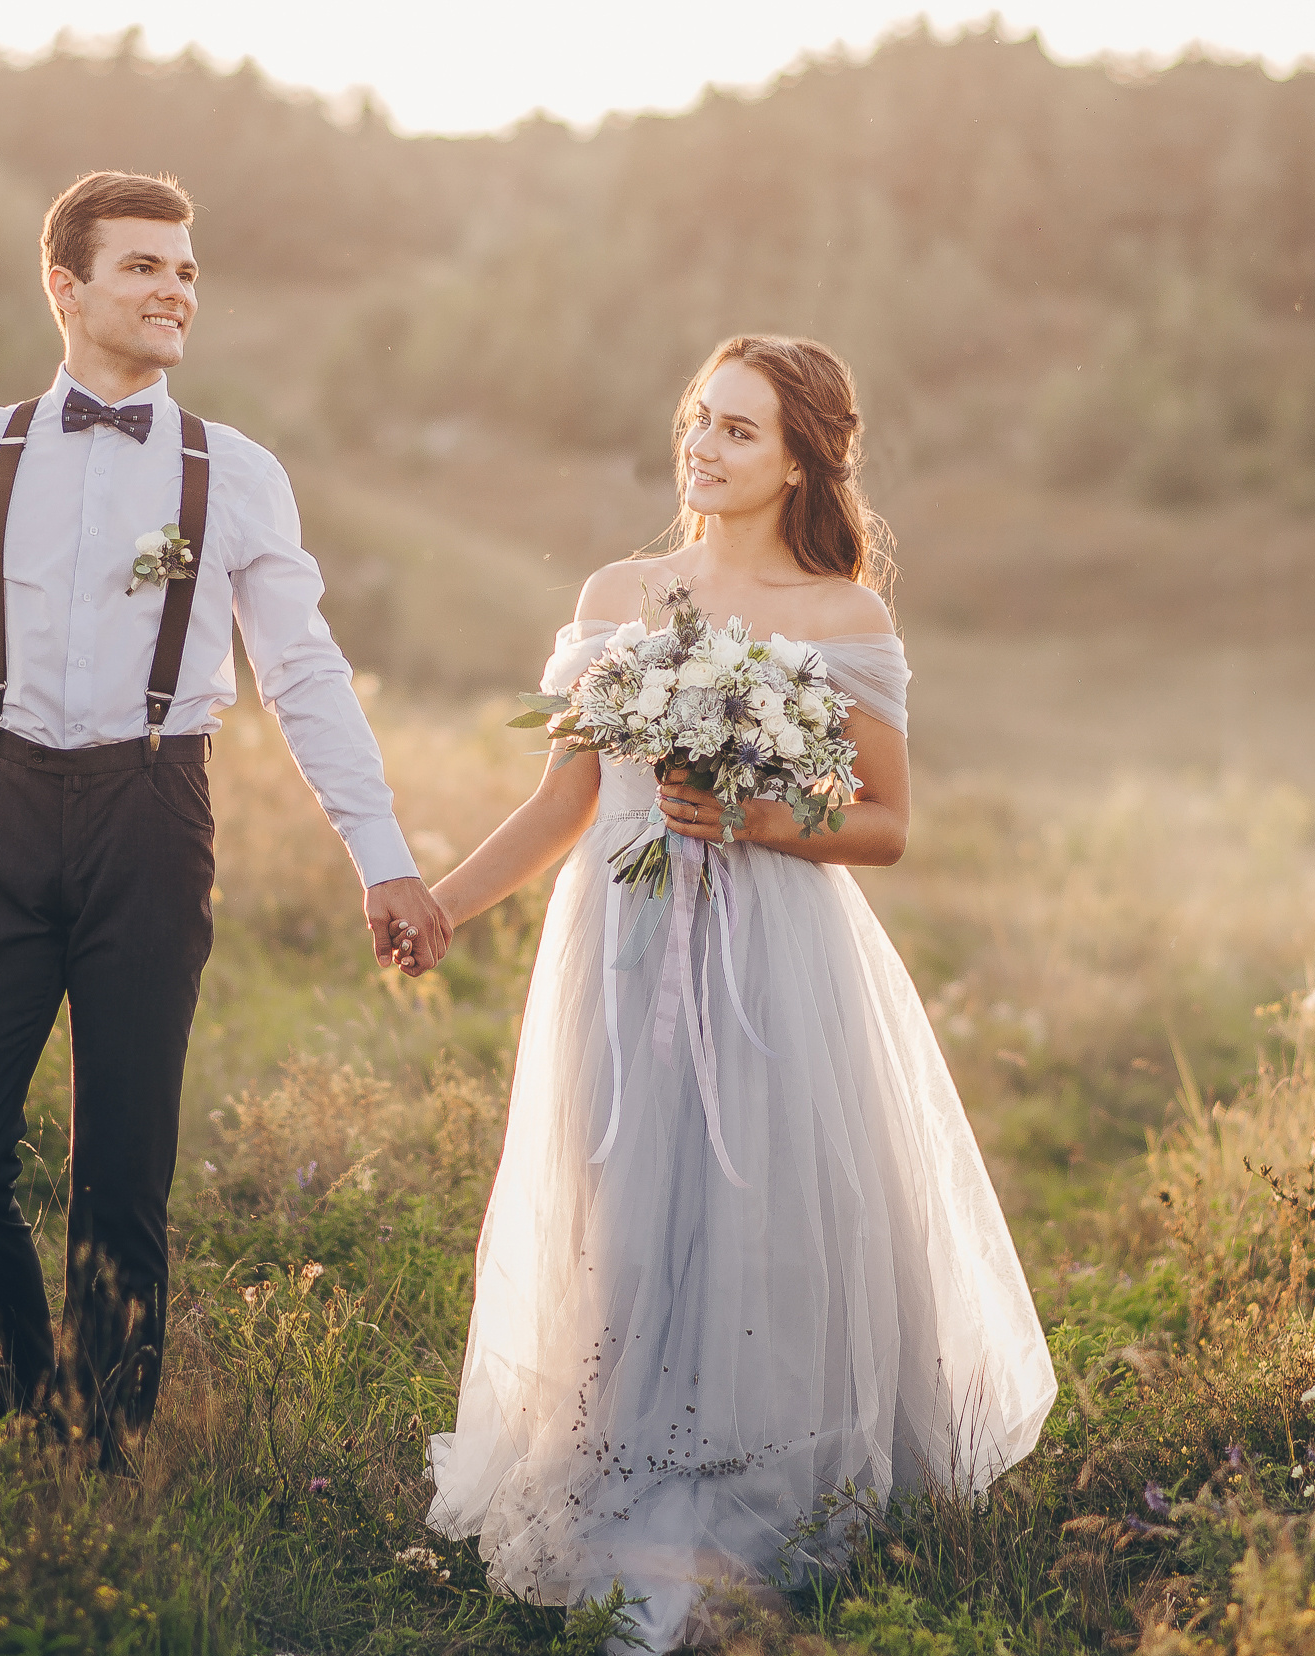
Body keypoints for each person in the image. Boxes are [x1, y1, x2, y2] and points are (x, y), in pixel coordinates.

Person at [422, 336, 1055, 1650]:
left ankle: (755, 1497)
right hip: (620, 944)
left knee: (759, 1220)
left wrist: (755, 816)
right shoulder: (617, 592)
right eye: (698, 421)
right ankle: (619, 1475)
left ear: (798, 462)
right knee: (627, 1215)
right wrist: (440, 907)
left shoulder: (843, 616)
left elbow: (882, 824)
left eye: (739, 432)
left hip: (773, 954)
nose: (703, 449)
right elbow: (563, 801)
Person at [0, 170, 451, 1472]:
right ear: (66, 286)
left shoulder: (237, 475)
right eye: (145, 268)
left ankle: (99, 1453)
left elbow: (307, 675)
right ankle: (24, 1396)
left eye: (188, 271)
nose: (175, 291)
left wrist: (381, 857)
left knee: (122, 1169)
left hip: (154, 812)